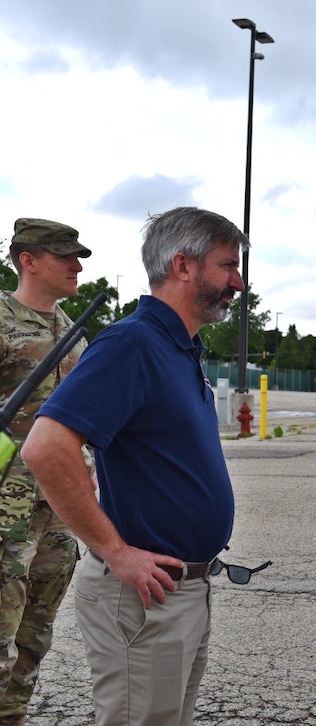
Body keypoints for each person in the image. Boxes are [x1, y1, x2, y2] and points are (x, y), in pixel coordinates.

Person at [21, 207, 247, 726]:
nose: (237, 281)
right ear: (183, 266)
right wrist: (115, 551)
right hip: (141, 598)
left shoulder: (180, 348)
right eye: (227, 265)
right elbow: (45, 447)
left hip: (182, 591)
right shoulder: (132, 344)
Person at [0, 218, 93, 725]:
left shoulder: (74, 329)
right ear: (29, 260)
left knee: (36, 632)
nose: (77, 266)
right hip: (5, 508)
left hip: (60, 506)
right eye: (65, 257)